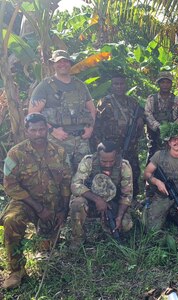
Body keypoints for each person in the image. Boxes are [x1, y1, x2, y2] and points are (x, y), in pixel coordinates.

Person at [0, 113, 72, 289]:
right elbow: (10, 186)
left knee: (48, 245)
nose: (39, 134)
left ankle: (45, 240)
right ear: (27, 131)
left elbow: (66, 182)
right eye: (34, 130)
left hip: (53, 203)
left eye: (42, 129)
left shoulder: (60, 151)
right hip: (26, 202)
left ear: (47, 129)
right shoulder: (15, 153)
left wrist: (63, 210)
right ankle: (16, 270)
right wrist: (39, 209)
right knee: (11, 220)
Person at [28, 49, 96, 172]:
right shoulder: (45, 86)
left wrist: (90, 127)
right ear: (53, 64)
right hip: (58, 140)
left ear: (70, 63)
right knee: (61, 176)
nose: (62, 65)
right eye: (59, 62)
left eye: (65, 61)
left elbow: (91, 109)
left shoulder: (80, 85)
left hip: (81, 140)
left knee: (85, 176)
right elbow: (33, 115)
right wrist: (52, 131)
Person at [69, 141, 134, 248]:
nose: (107, 165)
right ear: (98, 155)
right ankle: (78, 238)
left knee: (125, 225)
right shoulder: (88, 161)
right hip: (90, 200)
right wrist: (97, 200)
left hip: (111, 203)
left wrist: (119, 216)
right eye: (104, 161)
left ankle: (110, 234)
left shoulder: (124, 166)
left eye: (111, 161)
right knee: (77, 203)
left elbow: (127, 195)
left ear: (116, 156)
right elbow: (75, 185)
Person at [91, 72, 144, 198]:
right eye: (116, 84)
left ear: (125, 85)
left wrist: (140, 121)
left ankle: (132, 199)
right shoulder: (104, 102)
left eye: (121, 84)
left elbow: (140, 119)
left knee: (133, 172)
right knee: (109, 172)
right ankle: (107, 197)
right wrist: (99, 145)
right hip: (110, 147)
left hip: (130, 145)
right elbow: (96, 124)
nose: (119, 86)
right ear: (112, 86)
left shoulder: (133, 103)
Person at [143, 123, 178, 231]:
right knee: (151, 229)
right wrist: (156, 182)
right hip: (161, 196)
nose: (176, 142)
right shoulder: (159, 155)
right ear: (169, 142)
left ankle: (175, 215)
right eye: (173, 139)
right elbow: (146, 173)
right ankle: (165, 212)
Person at [144, 71, 178, 163]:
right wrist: (159, 127)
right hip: (155, 138)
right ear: (159, 83)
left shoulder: (177, 100)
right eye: (162, 82)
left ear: (171, 84)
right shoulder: (151, 99)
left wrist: (171, 128)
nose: (165, 85)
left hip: (172, 138)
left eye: (168, 82)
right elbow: (148, 115)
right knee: (152, 162)